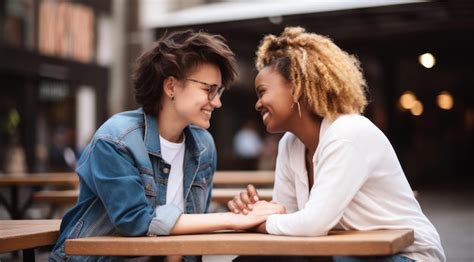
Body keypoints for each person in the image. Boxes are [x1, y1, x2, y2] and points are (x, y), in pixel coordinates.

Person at [49, 30, 285, 262]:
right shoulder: (116, 139)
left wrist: (242, 212)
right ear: (171, 86)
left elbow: (192, 223)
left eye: (219, 91)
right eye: (208, 89)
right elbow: (136, 221)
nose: (217, 102)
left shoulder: (203, 145)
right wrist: (232, 219)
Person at [227, 27, 445, 262]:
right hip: (347, 253)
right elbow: (287, 220)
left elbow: (312, 224)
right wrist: (257, 212)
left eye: (262, 92)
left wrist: (256, 222)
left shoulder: (347, 133)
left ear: (298, 87)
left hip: (404, 255)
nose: (258, 104)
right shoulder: (290, 144)